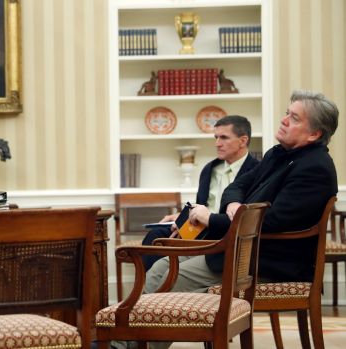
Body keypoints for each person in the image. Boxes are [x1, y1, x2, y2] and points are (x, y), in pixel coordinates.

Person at [143, 90, 339, 349]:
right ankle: (132, 342)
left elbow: (271, 222)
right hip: (243, 252)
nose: (284, 120)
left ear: (314, 133)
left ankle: (131, 344)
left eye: (294, 118)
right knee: (160, 267)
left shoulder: (315, 167)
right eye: (286, 113)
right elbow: (237, 186)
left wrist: (213, 219)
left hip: (268, 264)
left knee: (171, 277)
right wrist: (235, 205)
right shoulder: (277, 154)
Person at [141, 115, 259, 270]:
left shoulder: (257, 171)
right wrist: (182, 218)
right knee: (156, 235)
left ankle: (163, 289)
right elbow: (201, 205)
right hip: (200, 228)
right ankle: (152, 292)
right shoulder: (210, 169)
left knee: (166, 246)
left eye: (224, 138)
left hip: (226, 231)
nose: (217, 143)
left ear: (243, 141)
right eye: (216, 137)